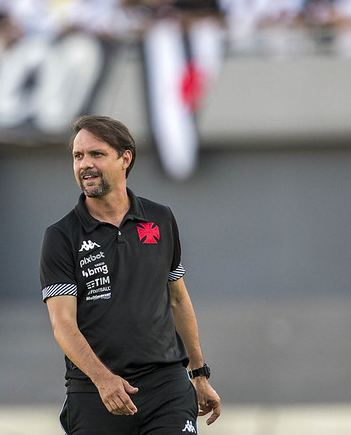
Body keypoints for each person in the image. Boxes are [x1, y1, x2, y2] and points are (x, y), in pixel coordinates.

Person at [39, 115, 221, 434]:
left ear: (125, 158)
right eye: (78, 156)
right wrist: (103, 379)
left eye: (97, 154)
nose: (85, 164)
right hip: (95, 393)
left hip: (167, 387)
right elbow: (62, 324)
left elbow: (178, 300)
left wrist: (199, 374)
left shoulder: (160, 218)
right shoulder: (61, 235)